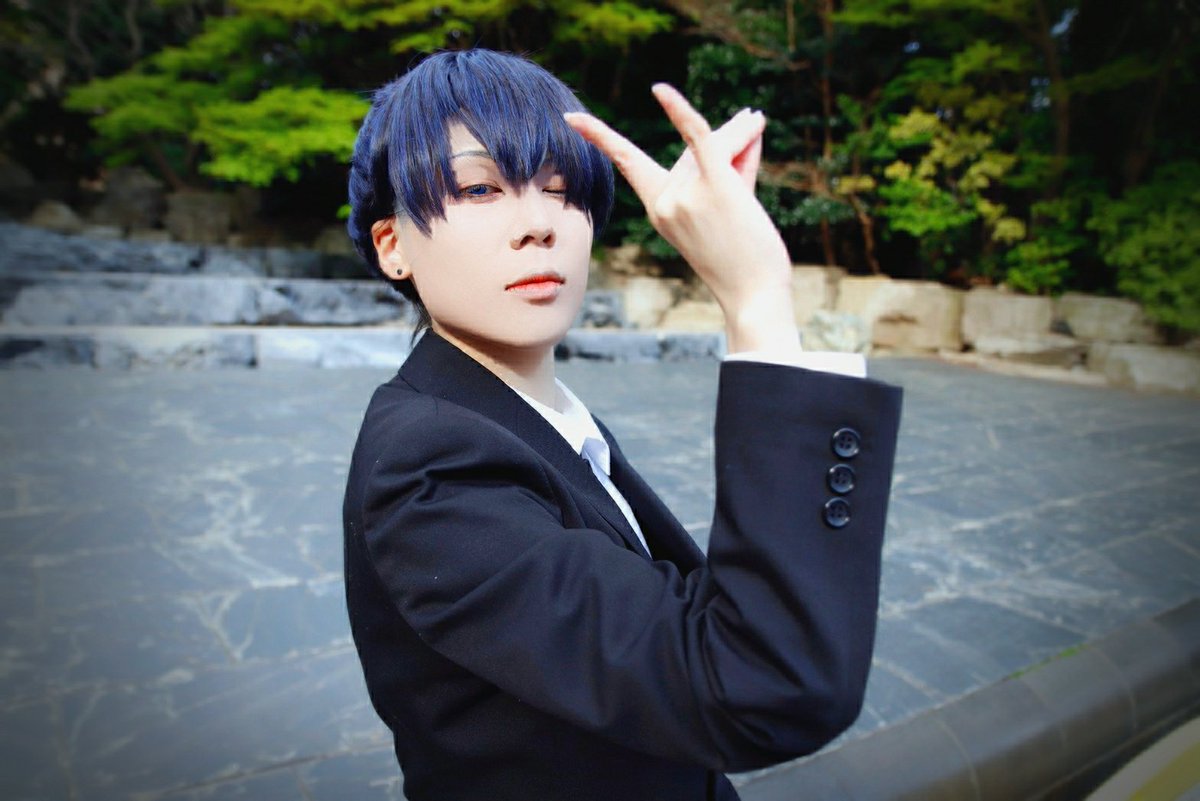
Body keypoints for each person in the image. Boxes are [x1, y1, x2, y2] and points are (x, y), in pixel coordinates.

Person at [342, 48, 902, 801]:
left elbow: (686, 631)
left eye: (562, 190)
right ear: (394, 246)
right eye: (479, 188)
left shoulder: (529, 416)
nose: (538, 223)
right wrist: (756, 298)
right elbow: (759, 684)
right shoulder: (429, 463)